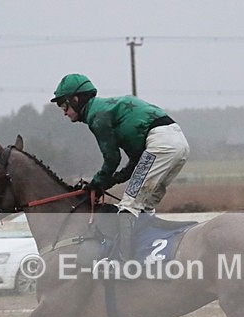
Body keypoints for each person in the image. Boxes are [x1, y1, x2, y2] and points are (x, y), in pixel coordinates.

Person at [51, 73, 189, 267]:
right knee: (144, 207)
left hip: (161, 145)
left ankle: (124, 263)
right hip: (178, 143)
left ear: (75, 99)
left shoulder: (96, 116)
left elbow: (112, 158)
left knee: (128, 206)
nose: (64, 112)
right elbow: (134, 163)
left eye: (63, 106)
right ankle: (147, 257)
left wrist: (97, 184)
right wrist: (110, 181)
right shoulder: (109, 110)